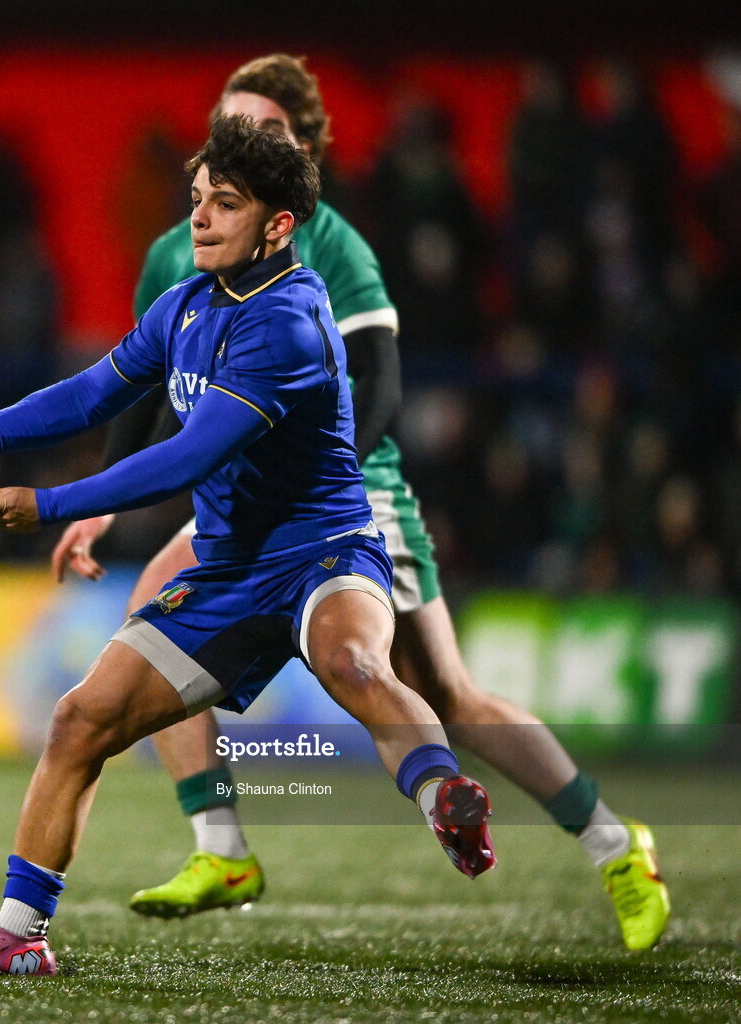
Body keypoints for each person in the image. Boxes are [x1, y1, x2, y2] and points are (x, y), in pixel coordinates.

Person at [52, 55, 670, 951]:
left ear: (301, 147)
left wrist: (317, 484)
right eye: (227, 129)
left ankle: (617, 843)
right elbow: (145, 386)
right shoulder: (176, 252)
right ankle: (221, 846)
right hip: (245, 496)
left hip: (345, 493)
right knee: (150, 604)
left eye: (261, 131)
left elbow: (378, 388)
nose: (237, 148)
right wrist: (99, 505)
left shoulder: (332, 246)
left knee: (448, 695)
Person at [0, 115, 496, 976]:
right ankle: (18, 936)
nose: (201, 219)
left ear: (279, 225)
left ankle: (447, 794)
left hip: (322, 552)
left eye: (226, 203)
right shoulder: (186, 303)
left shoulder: (289, 324)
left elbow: (186, 456)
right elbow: (94, 392)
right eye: (197, 201)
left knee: (358, 668)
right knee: (80, 721)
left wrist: (49, 501)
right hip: (227, 571)